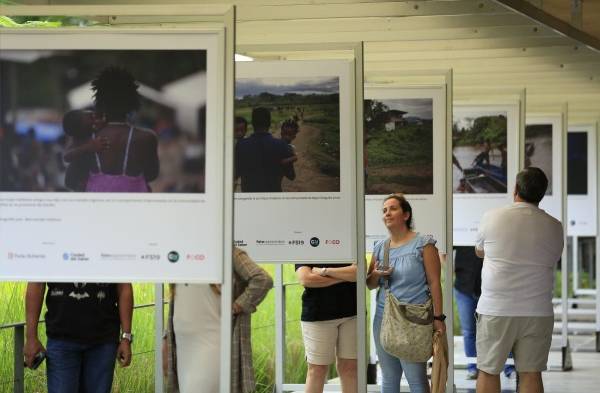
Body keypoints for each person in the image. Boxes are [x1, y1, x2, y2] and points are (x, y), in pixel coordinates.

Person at [474, 167, 563, 393]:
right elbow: (552, 258)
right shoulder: (555, 226)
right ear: (542, 193)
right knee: (531, 373)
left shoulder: (492, 217)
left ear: (515, 189)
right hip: (537, 309)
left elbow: (479, 251)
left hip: (496, 308)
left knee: (488, 370)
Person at [164, 248, 273, 393]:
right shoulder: (179, 253)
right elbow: (178, 301)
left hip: (211, 345)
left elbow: (263, 280)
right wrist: (166, 338)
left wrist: (236, 306)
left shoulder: (227, 251)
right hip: (184, 348)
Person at [367, 193, 445, 393]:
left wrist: (438, 317)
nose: (387, 213)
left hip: (413, 319)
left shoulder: (423, 244)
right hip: (383, 319)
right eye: (384, 210)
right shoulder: (379, 247)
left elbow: (435, 282)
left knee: (416, 379)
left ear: (406, 215)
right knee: (389, 378)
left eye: (393, 208)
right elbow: (370, 284)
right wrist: (376, 274)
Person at [24, 282, 133, 393]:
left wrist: (126, 337)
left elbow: (124, 286)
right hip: (61, 339)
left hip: (103, 342)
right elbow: (36, 283)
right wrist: (31, 337)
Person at [84, 66, 159, 192]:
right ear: (132, 101)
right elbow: (152, 175)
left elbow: (73, 177)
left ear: (100, 101)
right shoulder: (147, 138)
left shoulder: (89, 137)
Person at [453, 247, 515, 380]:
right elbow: (444, 250)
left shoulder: (492, 227)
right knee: (469, 330)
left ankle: (509, 367)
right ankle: (473, 367)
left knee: (501, 327)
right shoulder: (460, 228)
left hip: (493, 287)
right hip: (464, 286)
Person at [295, 262, 358, 393]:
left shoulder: (350, 243)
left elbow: (359, 272)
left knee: (350, 368)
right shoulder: (308, 244)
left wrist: (324, 271)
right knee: (317, 370)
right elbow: (306, 279)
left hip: (353, 312)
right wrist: (345, 276)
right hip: (317, 315)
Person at [234, 107, 295, 192]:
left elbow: (236, 174)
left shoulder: (240, 145)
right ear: (269, 123)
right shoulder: (282, 145)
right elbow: (291, 176)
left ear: (252, 123)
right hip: (273, 197)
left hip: (249, 199)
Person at [62, 109, 108, 191]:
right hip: (78, 181)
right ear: (81, 128)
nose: (94, 118)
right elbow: (66, 156)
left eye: (91, 115)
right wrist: (88, 147)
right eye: (90, 118)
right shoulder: (77, 139)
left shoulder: (94, 130)